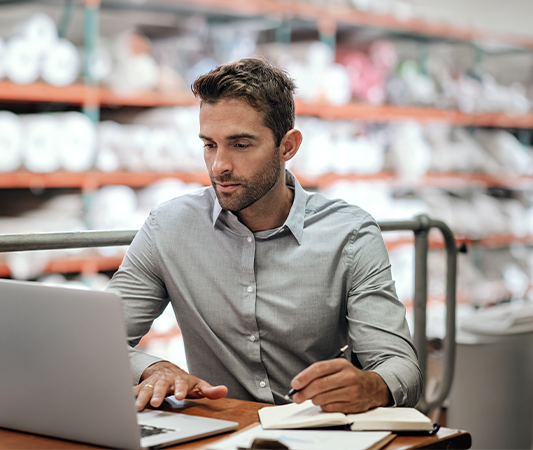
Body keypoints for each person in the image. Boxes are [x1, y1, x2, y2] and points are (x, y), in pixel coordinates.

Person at [107, 57, 422, 414]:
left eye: (240, 145)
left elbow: (402, 367)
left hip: (318, 431)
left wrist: (372, 386)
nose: (219, 165)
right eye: (209, 145)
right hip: (219, 429)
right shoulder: (168, 228)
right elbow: (99, 339)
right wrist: (152, 368)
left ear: (287, 146)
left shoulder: (350, 235)